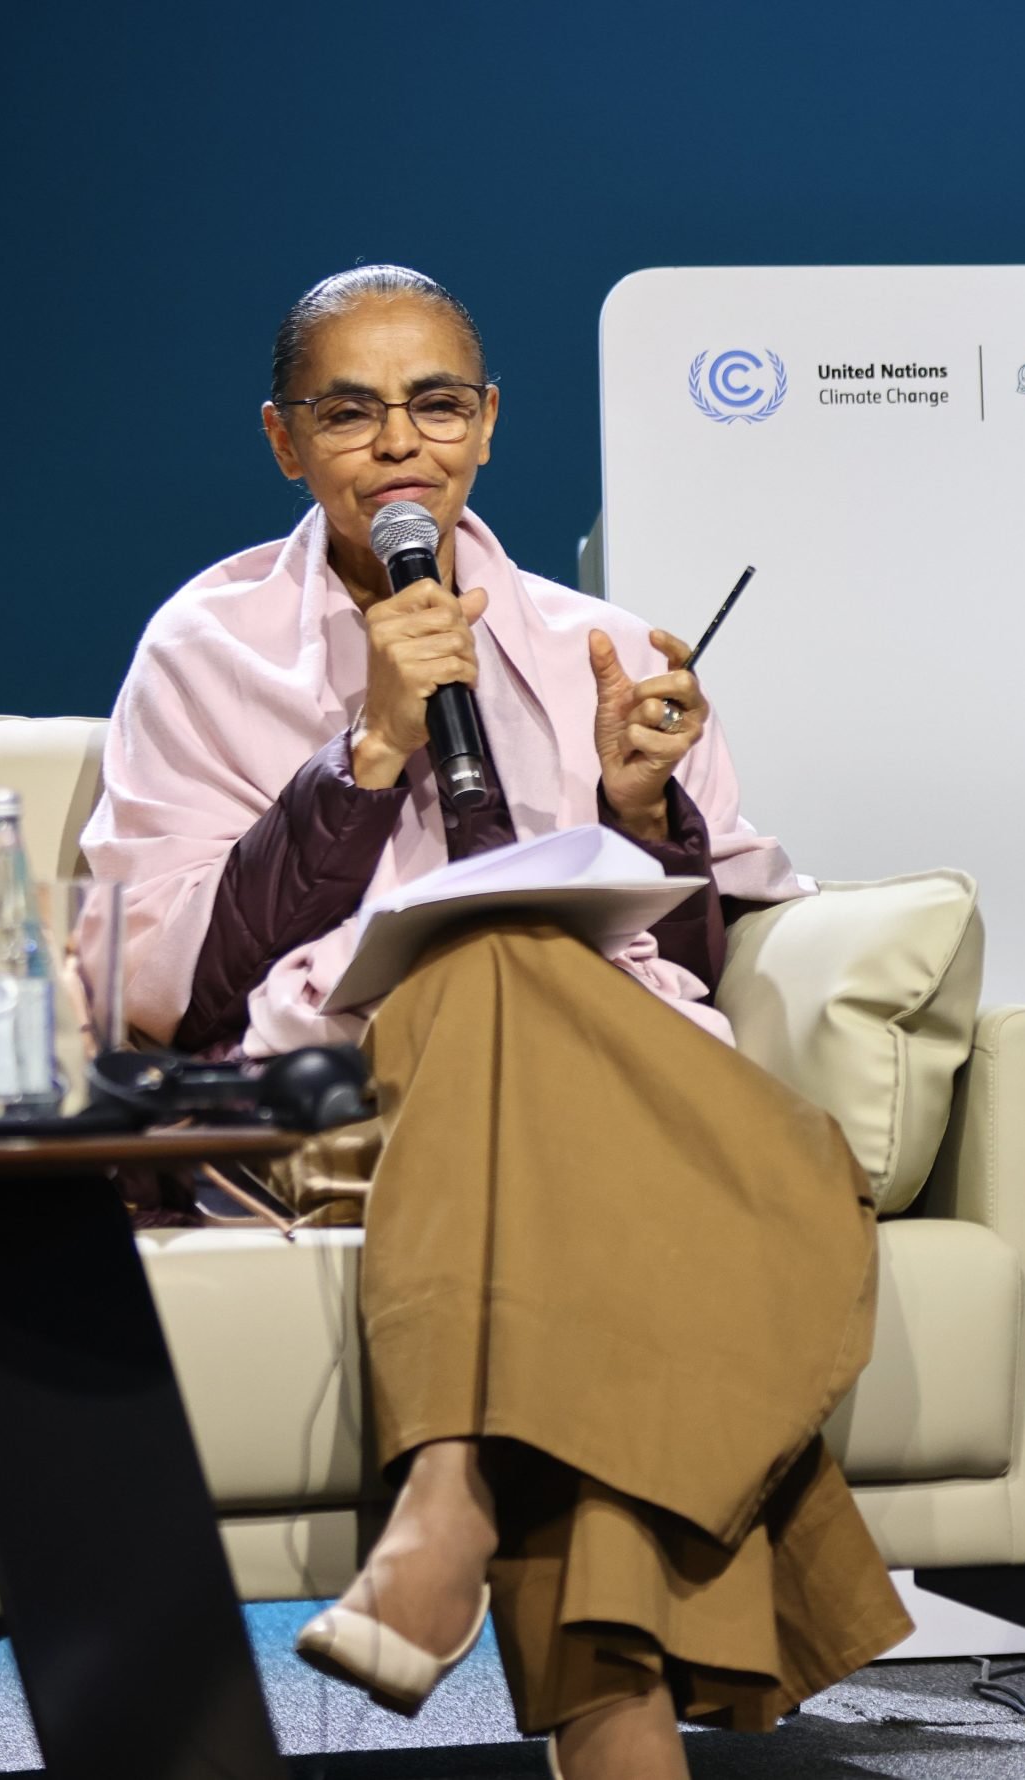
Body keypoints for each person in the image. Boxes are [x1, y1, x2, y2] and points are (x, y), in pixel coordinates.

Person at [80, 266, 911, 1779]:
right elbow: (164, 985)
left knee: (518, 970)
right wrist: (366, 756)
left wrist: (638, 808)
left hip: (602, 1078)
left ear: (489, 424)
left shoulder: (594, 638)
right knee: (486, 970)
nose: (401, 443)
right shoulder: (204, 650)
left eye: (437, 404)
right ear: (284, 439)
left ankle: (452, 1495)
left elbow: (702, 954)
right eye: (350, 410)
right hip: (338, 1092)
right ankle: (601, 1697)